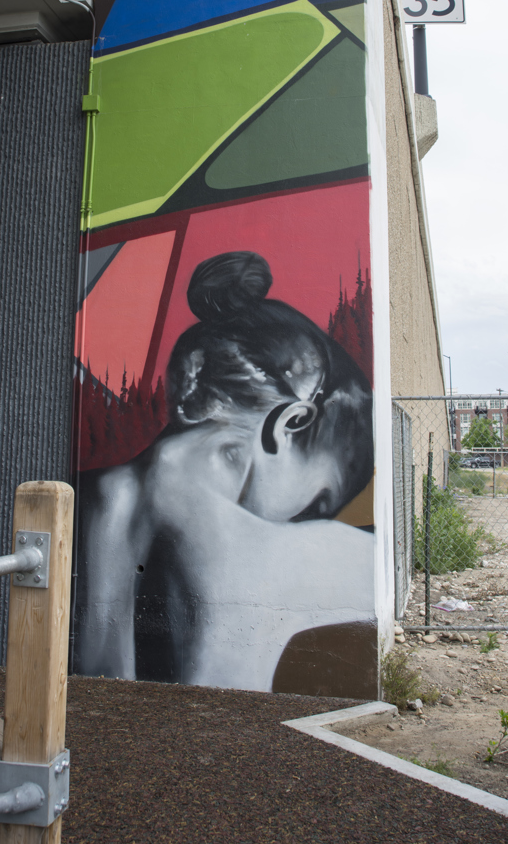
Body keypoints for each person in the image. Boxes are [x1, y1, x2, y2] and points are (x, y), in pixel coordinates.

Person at [74, 250, 375, 691]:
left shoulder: (82, 499)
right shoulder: (316, 553)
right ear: (289, 424)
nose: (306, 518)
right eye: (317, 501)